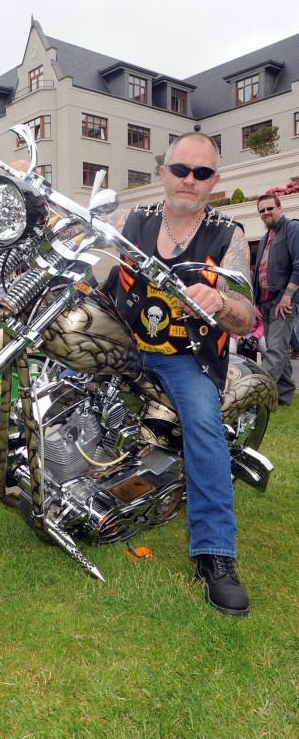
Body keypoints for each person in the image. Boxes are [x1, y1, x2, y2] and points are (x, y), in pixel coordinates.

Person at [113, 132, 255, 616]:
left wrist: (222, 302)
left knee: (202, 424)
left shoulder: (228, 234)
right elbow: (83, 248)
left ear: (214, 181)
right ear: (162, 171)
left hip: (185, 356)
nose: (188, 180)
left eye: (200, 173)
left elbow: (247, 313)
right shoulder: (131, 220)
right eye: (180, 169)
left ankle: (215, 554)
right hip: (123, 342)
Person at [252, 194, 299, 406]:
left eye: (269, 208)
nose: (266, 213)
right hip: (265, 304)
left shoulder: (292, 228)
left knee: (275, 351)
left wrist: (287, 297)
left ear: (279, 208)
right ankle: (284, 396)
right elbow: (258, 274)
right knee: (277, 349)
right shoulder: (264, 238)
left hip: (283, 301)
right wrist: (254, 303)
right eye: (261, 210)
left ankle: (253, 396)